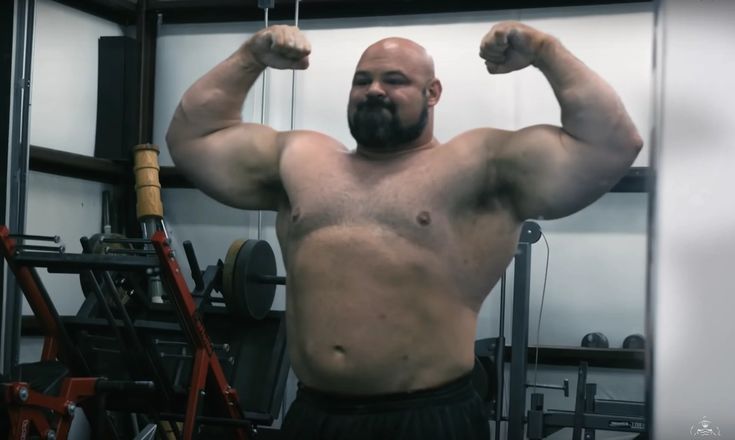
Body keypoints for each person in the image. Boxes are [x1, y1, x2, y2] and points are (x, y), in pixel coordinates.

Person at [166, 21, 642, 440]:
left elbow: (612, 143)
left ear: (432, 93)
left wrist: (545, 50)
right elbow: (192, 138)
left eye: (395, 80)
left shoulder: (480, 164)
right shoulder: (299, 160)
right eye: (362, 80)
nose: (374, 89)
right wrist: (251, 57)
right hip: (315, 414)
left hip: (429, 418)